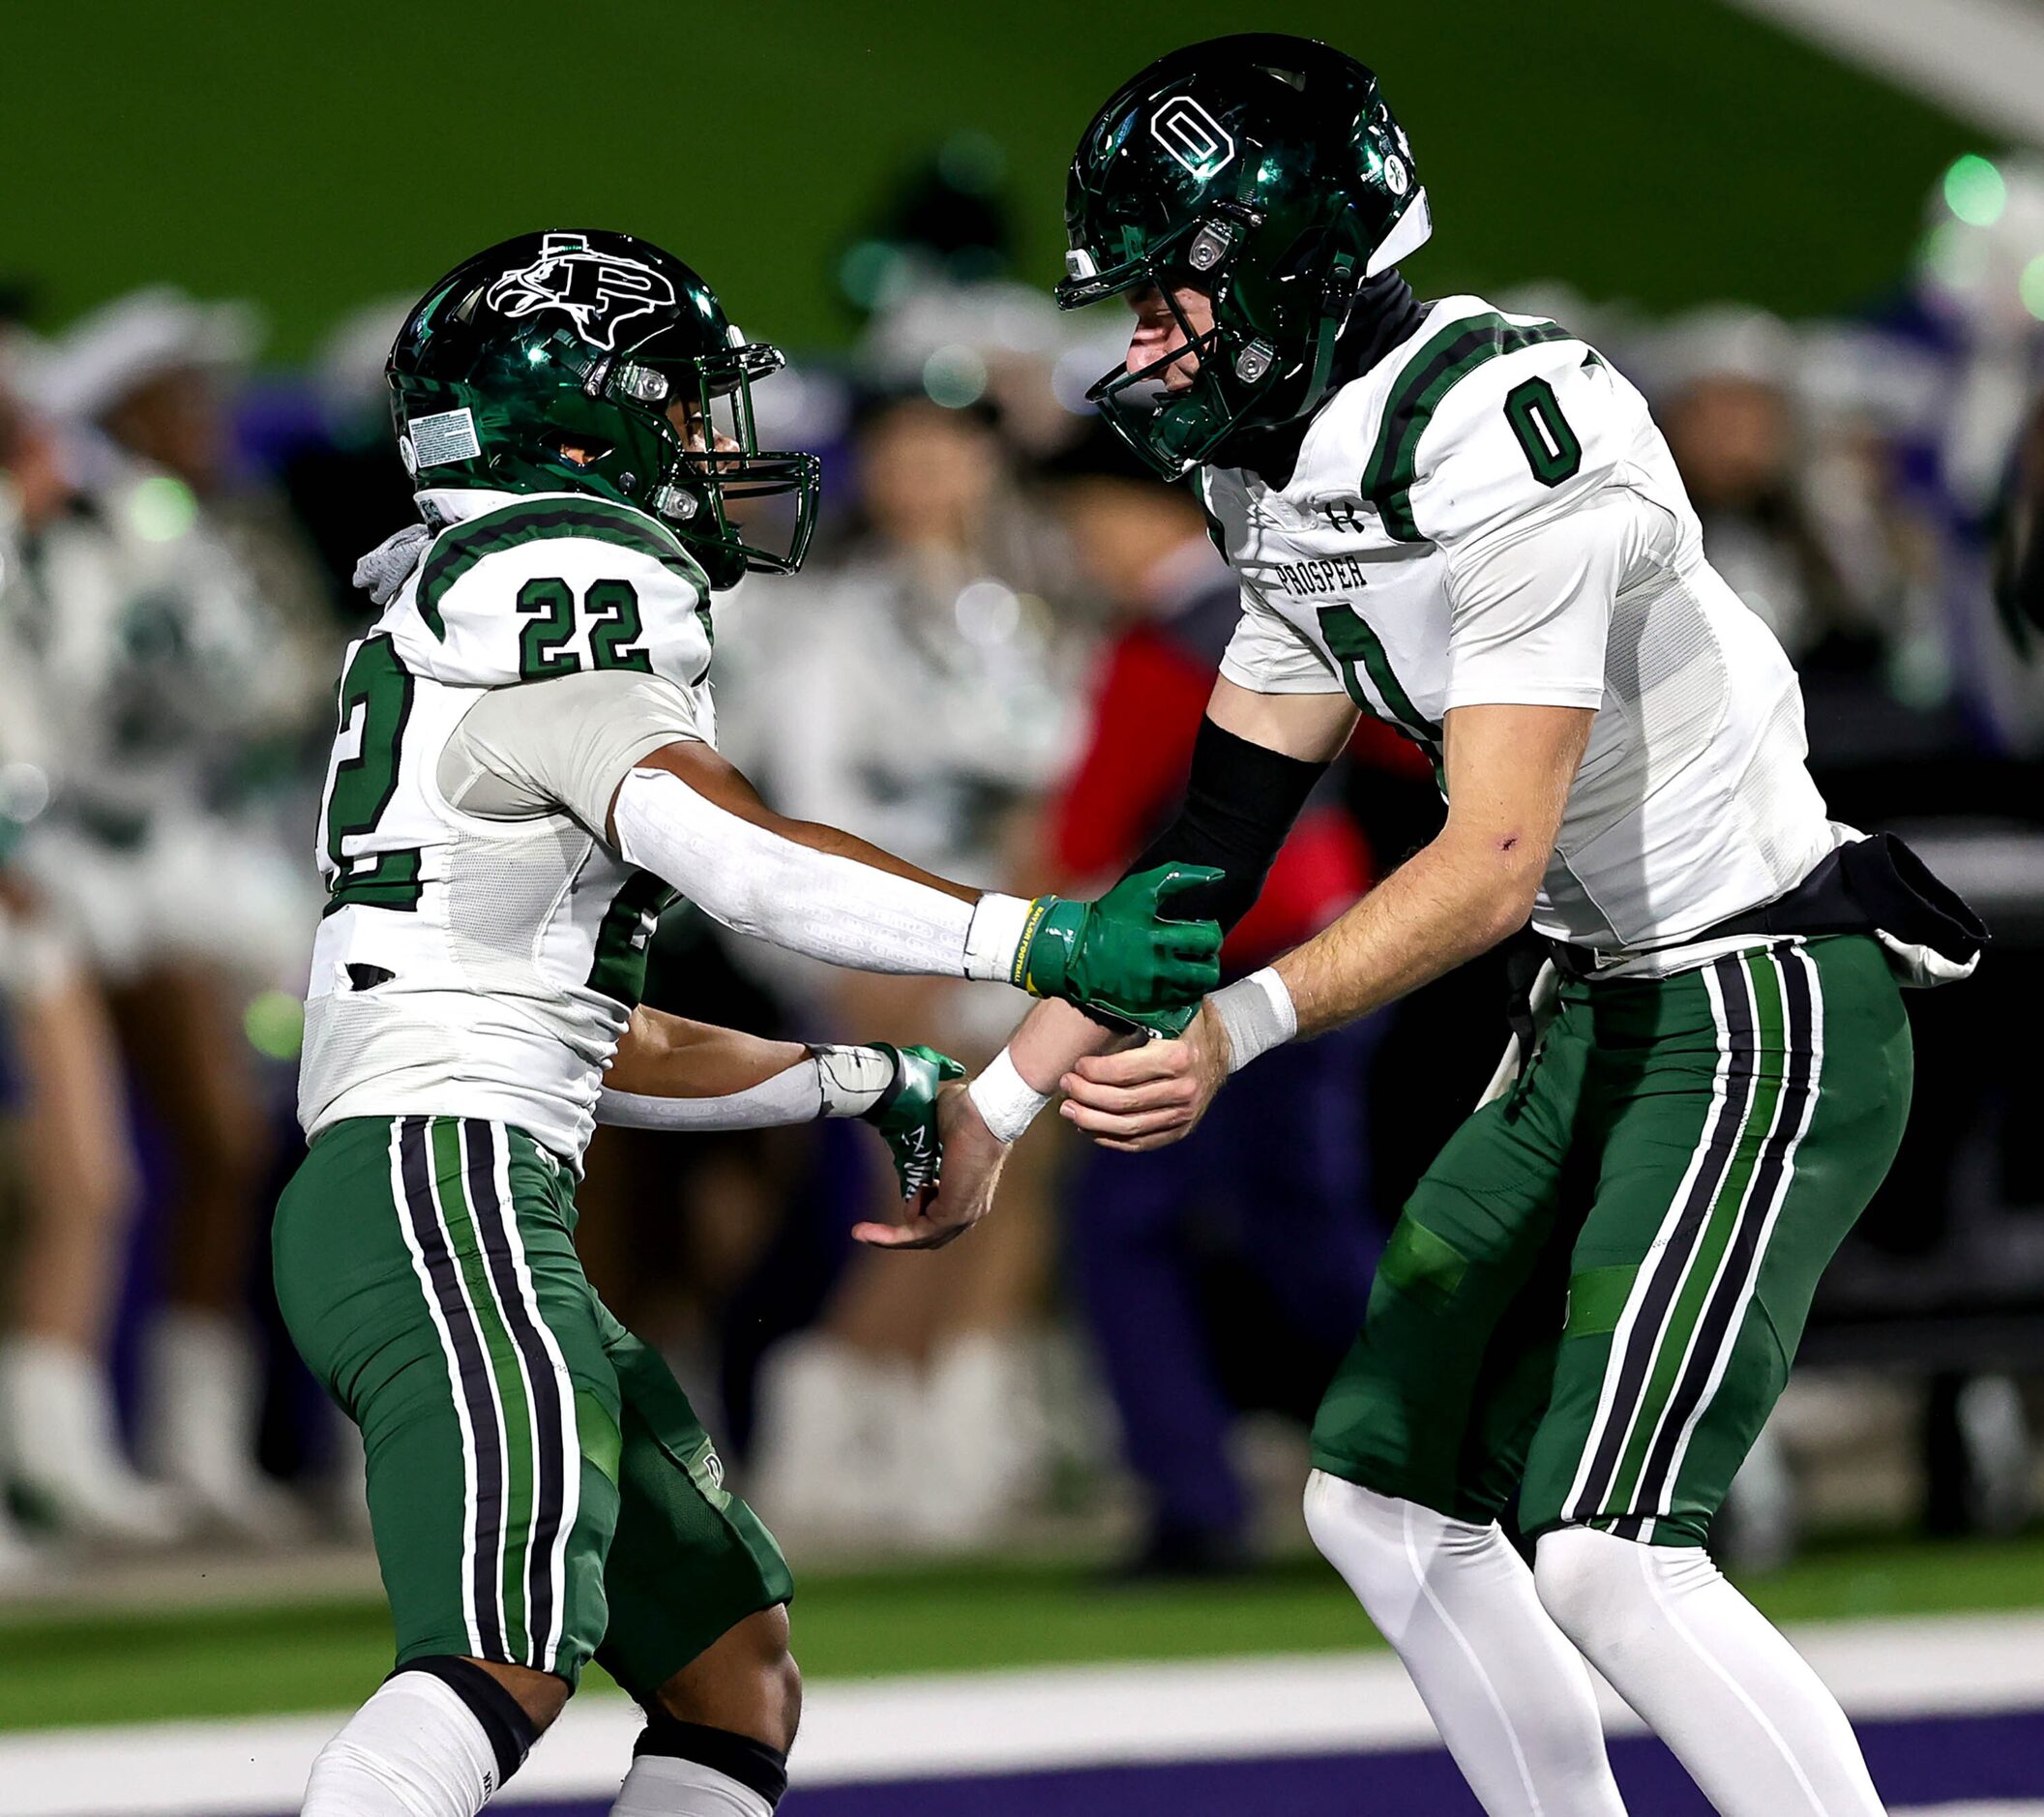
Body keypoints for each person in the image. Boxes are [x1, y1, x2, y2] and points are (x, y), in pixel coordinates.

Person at [923, 38, 1985, 1817]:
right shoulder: (1278, 469)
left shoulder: (1500, 430)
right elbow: (1212, 846)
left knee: (1604, 1552)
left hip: (1756, 994)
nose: (1146, 333)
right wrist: (997, 1101)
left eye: (1175, 283)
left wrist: (1234, 1035)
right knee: (1379, 1498)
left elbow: (1488, 859)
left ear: (1286, 259)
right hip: (1596, 1004)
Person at [279, 228, 1220, 1817]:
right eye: (687, 404)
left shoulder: (468, 612)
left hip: (452, 1179)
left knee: (732, 1665)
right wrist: (1033, 934)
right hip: (439, 1185)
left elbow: (596, 1036)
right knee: (499, 1655)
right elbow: (734, 850)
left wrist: (873, 1073)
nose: (724, 446)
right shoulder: (561, 566)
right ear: (585, 431)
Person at [1042, 420, 1385, 1573]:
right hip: (1341, 948)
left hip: (1215, 969)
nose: (1079, 546)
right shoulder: (1296, 603)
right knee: (1304, 1232)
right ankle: (1449, 1465)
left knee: (1131, 1229)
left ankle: (1200, 1500)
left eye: (1088, 520)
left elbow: (1087, 831)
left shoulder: (1163, 647)